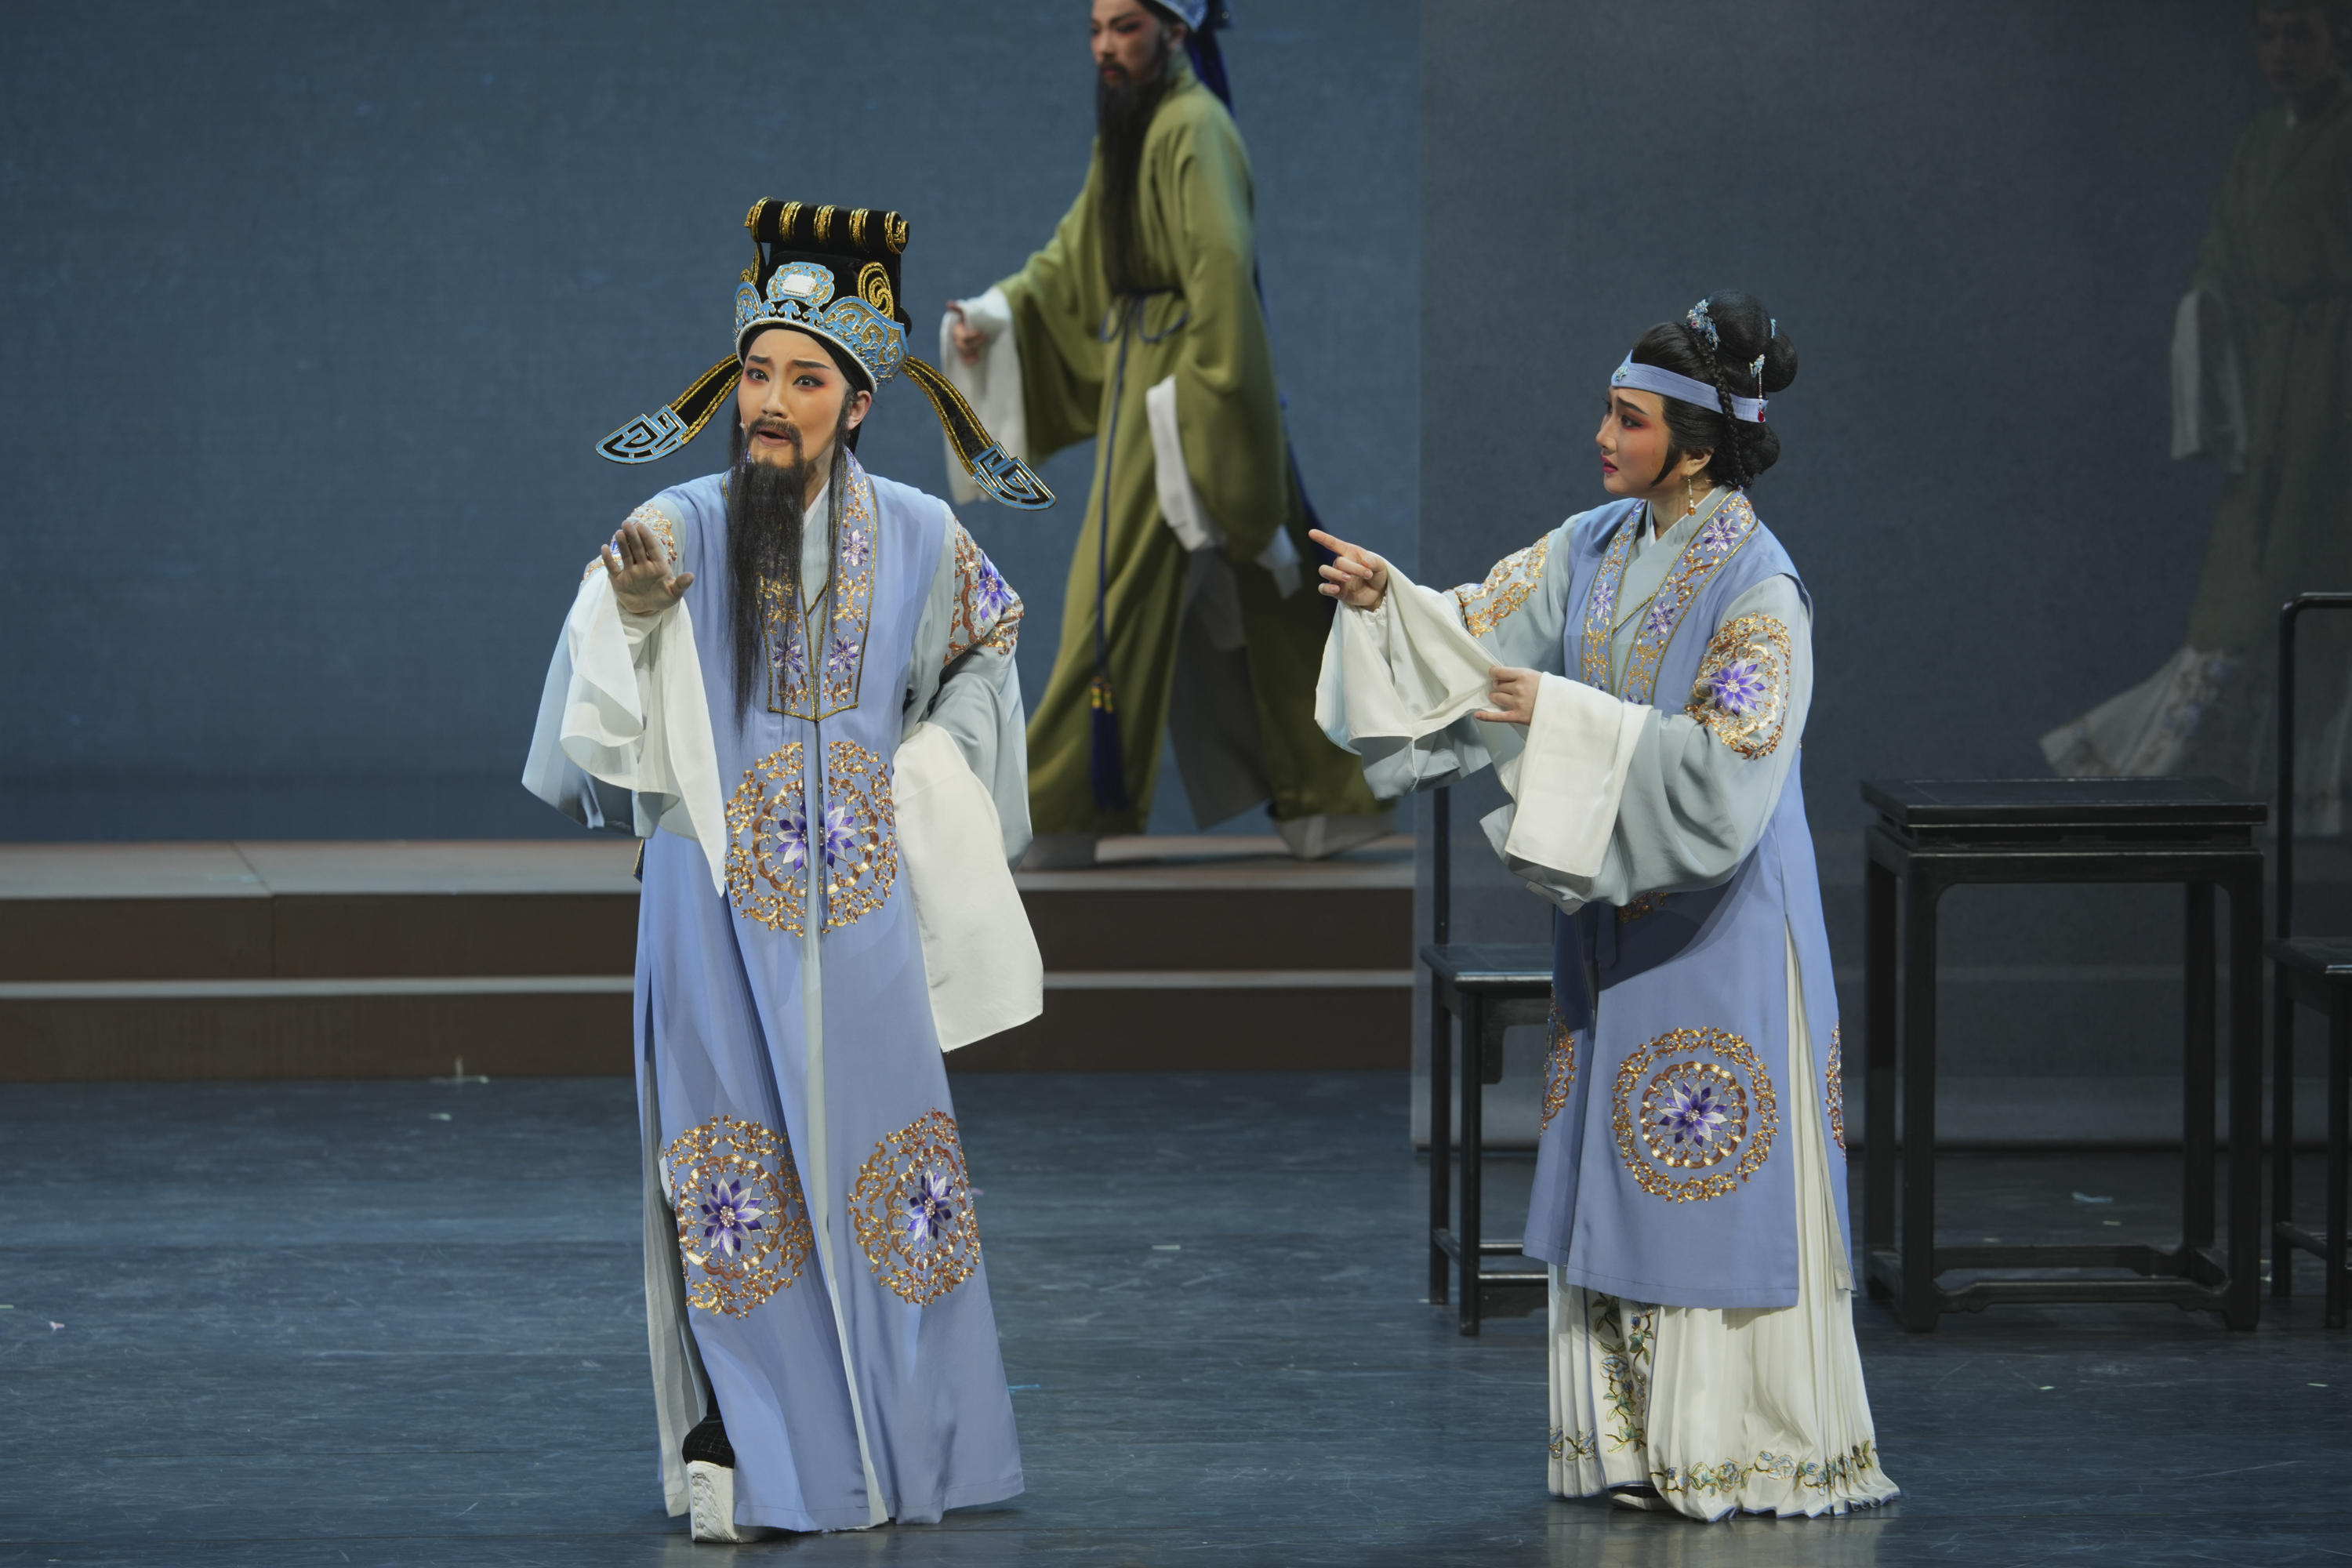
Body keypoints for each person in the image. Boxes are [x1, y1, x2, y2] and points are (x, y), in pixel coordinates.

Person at [1312, 294, 1898, 1520]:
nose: (1602, 435)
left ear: (1695, 446)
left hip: (1723, 918)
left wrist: (1568, 715)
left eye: (1628, 419)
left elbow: (1730, 769)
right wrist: (1387, 603)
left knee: (1703, 1167)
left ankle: (1740, 1447)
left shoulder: (1762, 587)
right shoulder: (1594, 544)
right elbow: (1475, 635)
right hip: (1614, 912)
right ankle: (1627, 1447)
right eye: (1608, 412)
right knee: (1621, 1170)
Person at [522, 198, 1049, 1540]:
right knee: (732, 1184)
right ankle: (750, 1458)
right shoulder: (682, 524)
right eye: (756, 373)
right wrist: (633, 616)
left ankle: (914, 1454)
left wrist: (928, 773)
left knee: (887, 1179)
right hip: (709, 908)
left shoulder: (922, 537)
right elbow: (601, 654)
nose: (768, 403)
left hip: (859, 914)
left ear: (858, 403)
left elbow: (988, 647)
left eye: (804, 380)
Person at [942, 0, 1390, 866]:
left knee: (1113, 594)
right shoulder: (1133, 125)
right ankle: (1328, 796)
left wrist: (1216, 405)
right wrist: (999, 313)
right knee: (1265, 597)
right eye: (1096, 28)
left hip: (1185, 390)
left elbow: (1221, 273)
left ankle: (1061, 809)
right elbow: (1075, 254)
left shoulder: (1194, 127)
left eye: (1126, 27)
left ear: (1177, 30)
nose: (1105, 46)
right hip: (1146, 374)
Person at [2044, 2, 2352, 830]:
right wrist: (2212, 307)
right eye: (2267, 34)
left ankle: (2319, 795)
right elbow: (2227, 250)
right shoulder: (2262, 141)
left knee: (2318, 576)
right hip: (2277, 379)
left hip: (2337, 382)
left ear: (2336, 41)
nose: (2280, 52)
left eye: (2300, 34)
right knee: (2247, 587)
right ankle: (2194, 776)